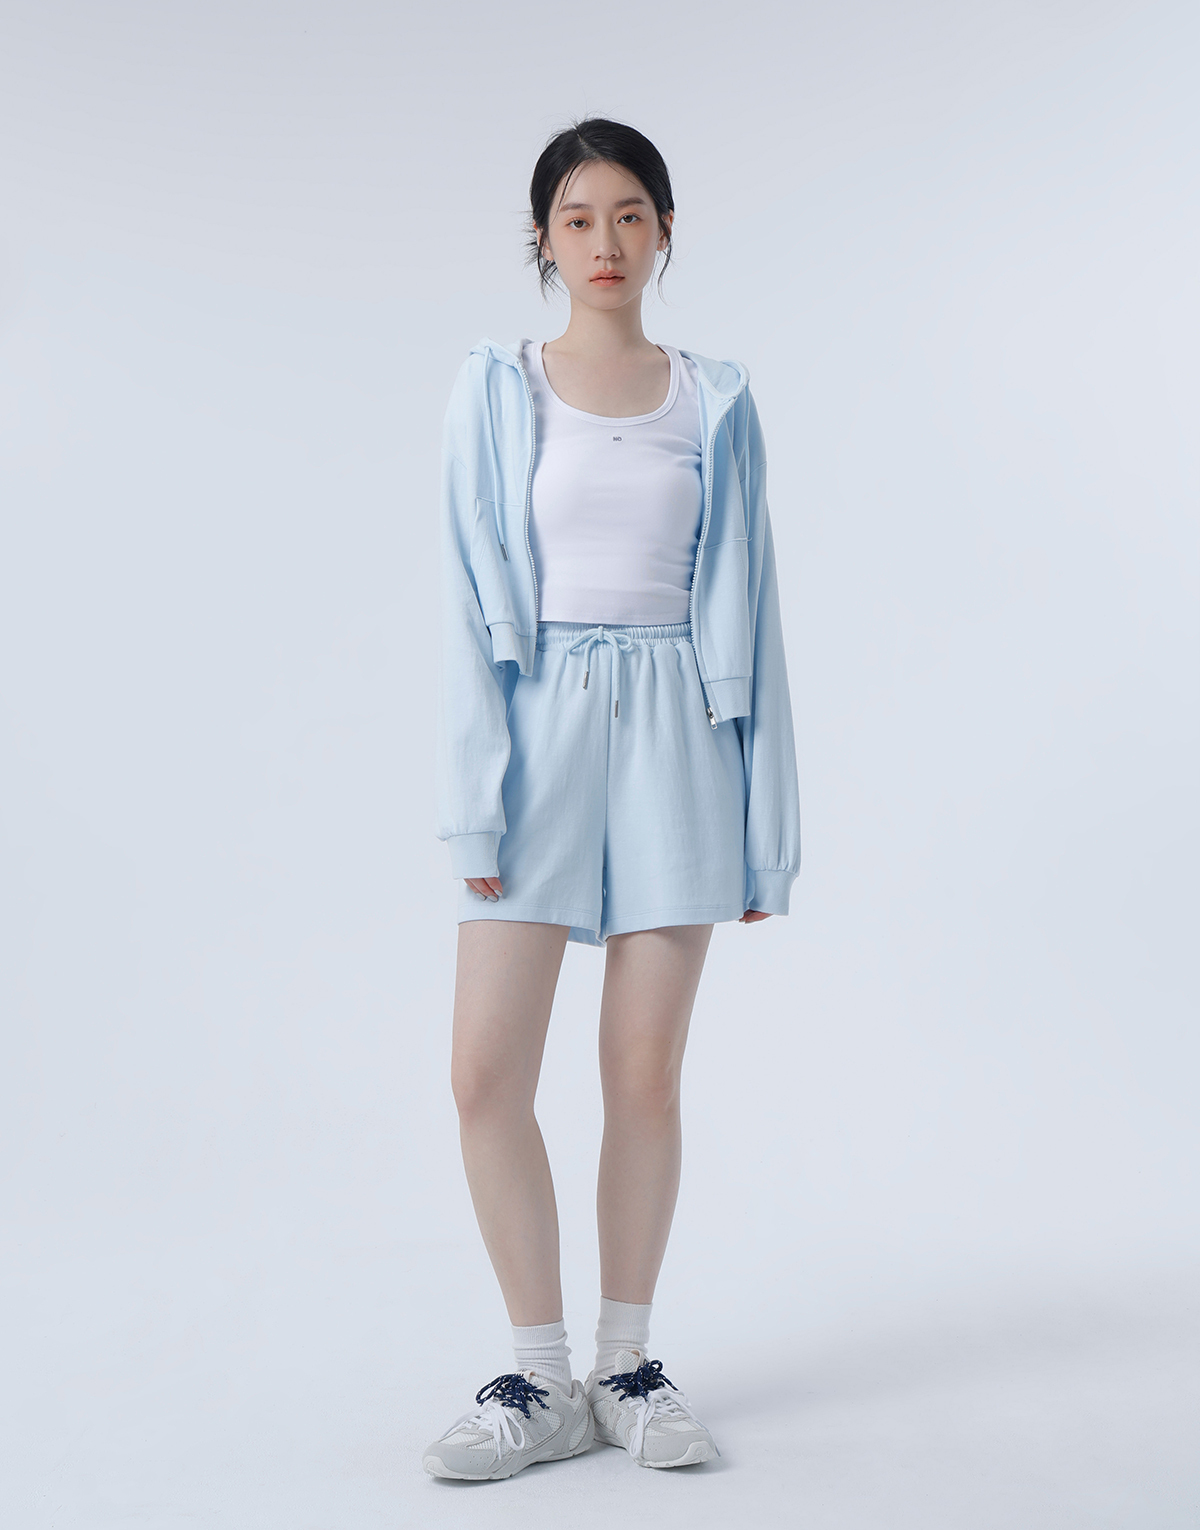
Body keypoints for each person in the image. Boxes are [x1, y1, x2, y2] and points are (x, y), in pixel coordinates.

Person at [424, 117, 801, 1481]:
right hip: (537, 735)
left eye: (630, 215)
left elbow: (755, 615)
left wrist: (765, 830)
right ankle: (540, 1379)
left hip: (678, 741)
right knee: (484, 1074)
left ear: (664, 232)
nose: (605, 242)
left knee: (642, 1073)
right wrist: (477, 801)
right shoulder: (497, 388)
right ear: (542, 239)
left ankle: (626, 1363)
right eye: (578, 219)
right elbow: (467, 605)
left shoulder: (716, 398)